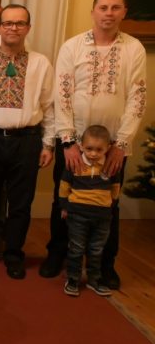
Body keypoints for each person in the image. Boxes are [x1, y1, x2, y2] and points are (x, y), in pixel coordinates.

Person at [41, 0, 147, 290]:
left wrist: (122, 144)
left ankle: (105, 264)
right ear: (93, 11)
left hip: (112, 147)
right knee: (63, 199)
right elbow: (61, 95)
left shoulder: (133, 48)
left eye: (116, 8)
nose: (109, 13)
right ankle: (57, 254)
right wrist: (68, 142)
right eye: (103, 7)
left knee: (108, 204)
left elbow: (137, 98)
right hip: (74, 142)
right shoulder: (72, 47)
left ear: (124, 12)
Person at [0, 4, 55, 279]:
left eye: (19, 23)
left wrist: (49, 144)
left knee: (20, 202)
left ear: (28, 28)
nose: (13, 28)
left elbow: (50, 106)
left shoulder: (41, 63)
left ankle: (14, 254)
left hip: (26, 141)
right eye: (7, 23)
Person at [60, 125, 121, 297]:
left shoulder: (111, 167)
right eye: (89, 149)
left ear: (108, 148)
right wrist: (64, 206)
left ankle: (95, 279)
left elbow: (115, 188)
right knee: (76, 248)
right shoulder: (74, 165)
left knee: (96, 249)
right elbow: (64, 187)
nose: (93, 153)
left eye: (99, 149)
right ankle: (73, 278)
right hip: (77, 215)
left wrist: (109, 205)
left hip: (102, 217)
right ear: (81, 146)